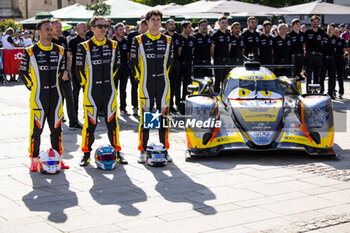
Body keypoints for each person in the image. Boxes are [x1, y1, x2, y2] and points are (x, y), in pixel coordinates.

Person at [18, 19, 69, 172]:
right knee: (36, 130)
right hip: (39, 96)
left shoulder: (60, 50)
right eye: (46, 29)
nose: (50, 32)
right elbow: (22, 72)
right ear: (38, 32)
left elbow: (62, 70)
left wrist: (64, 73)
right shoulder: (29, 51)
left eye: (51, 29)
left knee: (57, 129)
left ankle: (58, 157)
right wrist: (33, 87)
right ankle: (34, 159)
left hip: (56, 95)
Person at [76, 16, 127, 166]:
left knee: (113, 123)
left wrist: (110, 82)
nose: (103, 28)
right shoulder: (83, 46)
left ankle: (117, 152)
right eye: (100, 26)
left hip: (109, 90)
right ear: (92, 28)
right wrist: (86, 85)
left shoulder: (114, 45)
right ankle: (86, 153)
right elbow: (78, 70)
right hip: (92, 91)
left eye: (105, 26)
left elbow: (117, 66)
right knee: (90, 124)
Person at [130, 9, 174, 164]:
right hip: (146, 85)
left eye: (158, 19)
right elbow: (133, 63)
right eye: (153, 19)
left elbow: (170, 63)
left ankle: (165, 149)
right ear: (147, 22)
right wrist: (140, 79)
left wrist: (165, 78)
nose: (156, 22)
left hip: (163, 84)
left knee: (163, 118)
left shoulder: (168, 40)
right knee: (146, 118)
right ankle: (142, 149)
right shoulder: (138, 40)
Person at [51, 19, 82, 130]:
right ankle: (56, 119)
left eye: (60, 26)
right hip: (51, 74)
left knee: (70, 97)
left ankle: (73, 121)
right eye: (56, 26)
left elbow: (69, 57)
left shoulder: (63, 39)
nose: (59, 29)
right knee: (56, 98)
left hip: (64, 73)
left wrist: (67, 71)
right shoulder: (48, 40)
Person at [127, 19, 148, 116]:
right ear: (143, 26)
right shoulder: (132, 35)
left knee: (146, 87)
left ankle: (146, 106)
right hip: (134, 64)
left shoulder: (148, 37)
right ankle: (135, 107)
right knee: (134, 86)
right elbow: (129, 51)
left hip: (146, 66)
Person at [68, 22, 87, 118]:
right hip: (76, 70)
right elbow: (69, 57)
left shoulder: (89, 40)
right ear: (77, 30)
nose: (84, 28)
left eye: (85, 27)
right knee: (75, 93)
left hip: (88, 70)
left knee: (88, 93)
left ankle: (87, 113)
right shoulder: (73, 42)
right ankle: (74, 114)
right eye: (82, 27)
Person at [112, 23, 130, 116]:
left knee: (123, 89)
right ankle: (113, 108)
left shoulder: (126, 42)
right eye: (120, 29)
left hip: (124, 67)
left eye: (123, 29)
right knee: (113, 89)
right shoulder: (111, 42)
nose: (122, 31)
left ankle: (123, 109)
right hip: (114, 68)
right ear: (115, 31)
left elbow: (128, 55)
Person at [165, 19, 182, 112]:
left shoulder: (177, 37)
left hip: (175, 62)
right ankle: (166, 104)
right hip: (166, 63)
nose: (173, 26)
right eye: (171, 24)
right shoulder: (164, 36)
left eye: (174, 24)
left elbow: (179, 50)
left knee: (174, 84)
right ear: (167, 26)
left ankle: (172, 105)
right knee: (166, 84)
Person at [210, 16, 231, 93]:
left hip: (227, 60)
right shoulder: (215, 35)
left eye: (226, 23)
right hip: (218, 60)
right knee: (218, 79)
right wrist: (214, 57)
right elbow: (212, 48)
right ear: (219, 23)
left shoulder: (228, 34)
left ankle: (225, 95)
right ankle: (216, 95)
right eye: (223, 23)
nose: (224, 24)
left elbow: (229, 47)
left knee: (226, 79)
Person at [304, 15, 325, 93]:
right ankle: (308, 92)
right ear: (311, 22)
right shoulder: (307, 32)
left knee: (317, 76)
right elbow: (305, 44)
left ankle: (315, 92)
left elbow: (322, 44)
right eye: (314, 22)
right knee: (308, 76)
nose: (315, 23)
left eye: (317, 22)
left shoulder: (321, 32)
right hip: (309, 55)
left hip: (318, 55)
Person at [179, 21, 196, 102]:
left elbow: (193, 50)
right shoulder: (179, 38)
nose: (190, 29)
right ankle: (178, 101)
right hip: (179, 64)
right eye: (189, 27)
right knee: (178, 83)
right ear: (184, 28)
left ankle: (186, 99)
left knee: (187, 82)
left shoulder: (192, 39)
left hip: (188, 63)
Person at [320, 23, 337, 98]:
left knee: (332, 76)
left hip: (332, 59)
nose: (329, 30)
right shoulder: (323, 37)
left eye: (331, 29)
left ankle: (330, 92)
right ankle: (321, 91)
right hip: (324, 58)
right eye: (328, 29)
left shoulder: (335, 39)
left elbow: (335, 49)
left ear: (334, 30)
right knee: (322, 76)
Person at [334, 27, 348, 99]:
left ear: (340, 33)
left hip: (340, 58)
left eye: (337, 32)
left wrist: (345, 54)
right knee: (332, 76)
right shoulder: (332, 39)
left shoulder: (342, 40)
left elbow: (346, 48)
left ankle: (341, 92)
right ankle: (333, 91)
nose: (336, 34)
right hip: (333, 59)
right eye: (335, 32)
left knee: (340, 77)